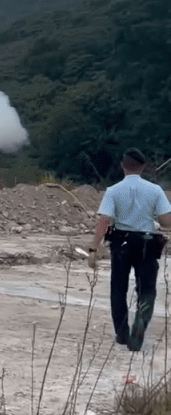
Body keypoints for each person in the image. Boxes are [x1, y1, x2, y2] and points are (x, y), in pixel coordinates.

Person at [88, 148, 171, 351]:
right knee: (146, 291)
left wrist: (93, 248)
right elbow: (166, 221)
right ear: (142, 167)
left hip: (121, 243)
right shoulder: (155, 190)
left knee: (118, 289)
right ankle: (137, 334)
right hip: (147, 243)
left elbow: (104, 221)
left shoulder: (113, 191)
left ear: (122, 166)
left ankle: (122, 334)